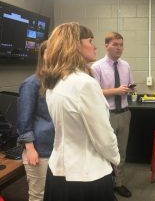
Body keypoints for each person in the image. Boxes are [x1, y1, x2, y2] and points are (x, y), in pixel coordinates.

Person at [41, 22, 120, 201]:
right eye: (90, 40)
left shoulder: (54, 82)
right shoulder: (85, 83)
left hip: (57, 173)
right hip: (88, 176)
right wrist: (115, 159)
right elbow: (103, 137)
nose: (95, 46)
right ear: (75, 44)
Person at [91, 32, 134, 198]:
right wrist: (116, 91)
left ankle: (118, 183)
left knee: (121, 152)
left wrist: (130, 89)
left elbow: (128, 87)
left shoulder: (125, 65)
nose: (119, 48)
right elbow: (94, 93)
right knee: (105, 151)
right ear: (106, 45)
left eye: (121, 44)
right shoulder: (97, 67)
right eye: (115, 44)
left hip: (124, 113)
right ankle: (105, 186)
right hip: (106, 115)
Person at [17, 41, 55, 201]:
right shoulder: (31, 83)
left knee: (53, 194)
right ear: (42, 56)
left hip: (56, 149)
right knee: (38, 195)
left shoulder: (57, 83)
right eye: (49, 52)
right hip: (40, 150)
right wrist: (30, 148)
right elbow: (23, 119)